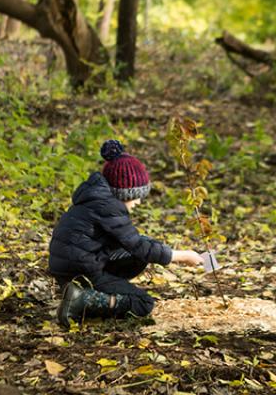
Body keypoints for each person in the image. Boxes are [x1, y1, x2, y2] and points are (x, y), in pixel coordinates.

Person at [48, 139, 204, 328]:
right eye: (136, 196)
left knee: (139, 254)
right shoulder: (108, 206)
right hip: (81, 271)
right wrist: (182, 256)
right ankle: (83, 299)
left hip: (74, 266)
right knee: (143, 303)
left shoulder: (97, 198)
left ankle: (91, 292)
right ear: (124, 192)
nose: (138, 202)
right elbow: (137, 245)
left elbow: (134, 244)